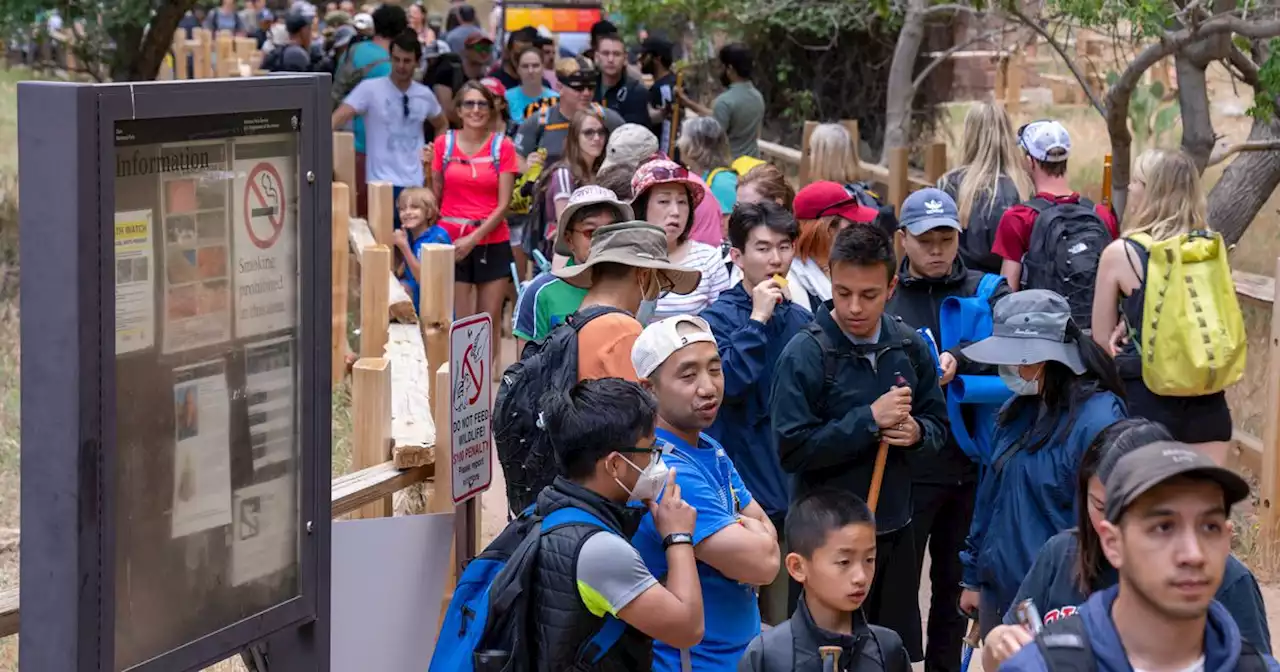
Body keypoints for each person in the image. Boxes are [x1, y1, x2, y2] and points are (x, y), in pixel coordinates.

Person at [770, 223, 948, 663]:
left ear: (891, 286)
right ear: (830, 277)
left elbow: (939, 428)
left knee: (890, 654)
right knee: (822, 658)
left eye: (868, 295)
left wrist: (917, 434)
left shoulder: (909, 346)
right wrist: (868, 420)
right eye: (843, 291)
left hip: (893, 534)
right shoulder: (804, 353)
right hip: (826, 543)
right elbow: (792, 450)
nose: (853, 307)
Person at [983, 418, 1271, 672]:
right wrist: (997, 647)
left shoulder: (1233, 589)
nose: (1192, 554)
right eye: (1163, 527)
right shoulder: (1059, 555)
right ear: (1112, 540)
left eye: (1209, 526)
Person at [884, 188, 1010, 672]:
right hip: (909, 467)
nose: (937, 249)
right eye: (925, 239)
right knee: (898, 589)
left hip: (975, 465)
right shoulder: (888, 294)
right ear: (903, 240)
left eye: (946, 238)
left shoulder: (986, 289)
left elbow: (1015, 346)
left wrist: (963, 358)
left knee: (957, 592)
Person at [956, 290, 1127, 636]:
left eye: (1015, 358)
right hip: (1002, 596)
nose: (1009, 369)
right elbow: (989, 497)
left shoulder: (1099, 422)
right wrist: (974, 577)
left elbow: (1105, 524)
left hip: (1063, 605)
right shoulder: (1015, 411)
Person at [631, 315, 781, 670]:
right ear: (648, 389)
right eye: (688, 375)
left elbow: (767, 530)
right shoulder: (664, 470)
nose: (708, 387)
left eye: (715, 369)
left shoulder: (708, 446)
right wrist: (753, 532)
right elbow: (764, 563)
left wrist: (754, 535)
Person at [530, 377, 705, 669]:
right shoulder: (600, 550)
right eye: (650, 450)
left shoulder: (551, 507)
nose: (656, 462)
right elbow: (687, 628)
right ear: (614, 465)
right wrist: (678, 536)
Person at [700, 201, 812, 625]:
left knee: (786, 620)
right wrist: (758, 319)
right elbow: (724, 384)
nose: (775, 259)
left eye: (784, 247)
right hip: (740, 494)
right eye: (762, 248)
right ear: (736, 255)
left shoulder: (803, 319)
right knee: (740, 619)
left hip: (792, 490)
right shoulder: (715, 319)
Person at [1090, 149, 1235, 464]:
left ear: (1153, 192)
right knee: (1203, 509)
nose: (1129, 188)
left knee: (1148, 510)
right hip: (1209, 408)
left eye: (1137, 182)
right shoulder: (1209, 247)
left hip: (1146, 405)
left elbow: (1101, 338)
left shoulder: (1122, 253)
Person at [739, 489, 911, 672]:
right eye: (844, 562)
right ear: (797, 567)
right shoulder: (767, 656)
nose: (861, 576)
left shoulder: (886, 650)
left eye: (869, 559)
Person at [993, 120, 1119, 327]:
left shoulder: (1019, 218)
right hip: (1094, 342)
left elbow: (1009, 298)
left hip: (1042, 342)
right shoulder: (1102, 215)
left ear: (1030, 161)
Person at [430, 81, 517, 358]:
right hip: (450, 239)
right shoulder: (444, 144)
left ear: (491, 110)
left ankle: (486, 395)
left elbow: (504, 204)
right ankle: (458, 390)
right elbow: (435, 196)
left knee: (486, 321)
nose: (476, 110)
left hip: (491, 239)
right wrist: (425, 169)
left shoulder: (502, 147)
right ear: (458, 109)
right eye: (469, 103)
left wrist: (473, 238)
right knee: (460, 320)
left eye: (482, 104)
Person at [553, 222, 702, 380]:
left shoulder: (578, 321)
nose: (656, 293)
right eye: (659, 282)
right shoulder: (624, 330)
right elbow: (636, 403)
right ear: (644, 276)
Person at [332, 30, 448, 224]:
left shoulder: (424, 94)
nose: (401, 66)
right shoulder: (370, 89)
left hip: (415, 182)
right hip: (380, 183)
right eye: (396, 59)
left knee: (415, 246)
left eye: (407, 61)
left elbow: (442, 123)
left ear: (417, 62)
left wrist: (435, 156)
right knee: (382, 245)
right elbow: (337, 118)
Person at [513, 186, 631, 347]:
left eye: (610, 231)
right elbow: (525, 368)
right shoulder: (540, 293)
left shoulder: (633, 286)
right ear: (569, 240)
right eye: (591, 232)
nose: (602, 240)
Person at [631, 159, 732, 321]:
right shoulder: (623, 258)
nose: (676, 211)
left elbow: (723, 323)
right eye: (664, 201)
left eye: (682, 202)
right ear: (642, 207)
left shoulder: (709, 259)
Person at [938, 101, 1031, 275]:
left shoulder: (949, 184)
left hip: (960, 287)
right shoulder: (1025, 187)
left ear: (969, 135)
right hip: (1008, 291)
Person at [335, 3, 405, 215]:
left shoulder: (354, 50)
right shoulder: (389, 66)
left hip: (345, 143)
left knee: (350, 211)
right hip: (374, 149)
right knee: (375, 215)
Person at [787, 181, 881, 313]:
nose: (858, 226)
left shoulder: (835, 267)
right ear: (829, 229)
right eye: (852, 222)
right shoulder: (791, 284)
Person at [515, 56, 624, 166]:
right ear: (559, 87)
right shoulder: (539, 122)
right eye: (578, 88)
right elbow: (516, 160)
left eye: (591, 87)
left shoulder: (608, 119)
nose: (586, 93)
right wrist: (526, 166)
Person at [676, 43, 765, 159]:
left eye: (721, 66)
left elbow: (714, 140)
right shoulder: (757, 97)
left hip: (731, 168)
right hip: (752, 165)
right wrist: (688, 103)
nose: (719, 71)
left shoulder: (724, 101)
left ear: (730, 69)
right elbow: (719, 116)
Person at [540, 109, 609, 239]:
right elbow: (564, 221)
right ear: (575, 137)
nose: (597, 138)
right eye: (589, 133)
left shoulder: (601, 172)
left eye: (601, 132)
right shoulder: (563, 174)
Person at [393, 187, 451, 309]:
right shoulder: (409, 235)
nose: (407, 212)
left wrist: (404, 247)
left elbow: (426, 281)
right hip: (417, 304)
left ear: (429, 212)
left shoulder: (438, 238)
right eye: (403, 209)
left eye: (414, 207)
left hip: (436, 312)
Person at [679, 117, 737, 219]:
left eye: (681, 136)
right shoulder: (692, 174)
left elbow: (725, 228)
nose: (678, 143)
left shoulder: (722, 182)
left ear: (694, 146)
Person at [594, 32, 650, 127]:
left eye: (616, 54)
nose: (610, 59)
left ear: (625, 59)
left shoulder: (636, 92)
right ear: (596, 57)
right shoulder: (587, 89)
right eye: (605, 53)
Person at [641, 36, 680, 154]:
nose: (640, 59)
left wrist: (664, 158)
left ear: (657, 58)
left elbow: (668, 129)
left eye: (644, 55)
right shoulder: (667, 83)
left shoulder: (664, 89)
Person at [505, 45, 558, 124]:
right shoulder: (506, 98)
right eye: (525, 66)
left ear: (543, 67)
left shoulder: (556, 99)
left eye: (535, 66)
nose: (530, 71)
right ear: (518, 69)